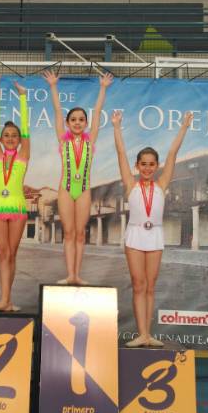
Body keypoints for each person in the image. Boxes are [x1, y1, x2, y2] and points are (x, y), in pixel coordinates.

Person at [112, 109, 193, 347]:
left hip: (155, 235)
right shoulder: (130, 184)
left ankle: (148, 334)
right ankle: (141, 334)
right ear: (137, 166)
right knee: (138, 284)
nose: (147, 168)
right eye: (143, 164)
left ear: (157, 166)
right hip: (135, 234)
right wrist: (116, 127)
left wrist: (184, 127)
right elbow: (120, 153)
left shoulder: (162, 184)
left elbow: (172, 153)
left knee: (150, 286)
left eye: (151, 164)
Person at [43, 70, 113, 285]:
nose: (77, 122)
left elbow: (98, 110)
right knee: (69, 232)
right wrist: (53, 86)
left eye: (81, 120)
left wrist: (103, 88)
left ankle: (77, 275)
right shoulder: (62, 139)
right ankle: (69, 275)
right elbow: (57, 110)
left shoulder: (90, 140)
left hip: (83, 190)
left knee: (80, 233)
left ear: (86, 123)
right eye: (73, 120)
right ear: (67, 123)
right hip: (65, 189)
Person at [0, 77, 30, 312]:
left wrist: (23, 97)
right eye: (6, 135)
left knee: (12, 254)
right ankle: (5, 300)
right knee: (2, 253)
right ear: (1, 140)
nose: (10, 138)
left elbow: (27, 130)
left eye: (14, 135)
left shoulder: (23, 156)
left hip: (18, 208)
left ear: (20, 140)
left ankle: (7, 300)